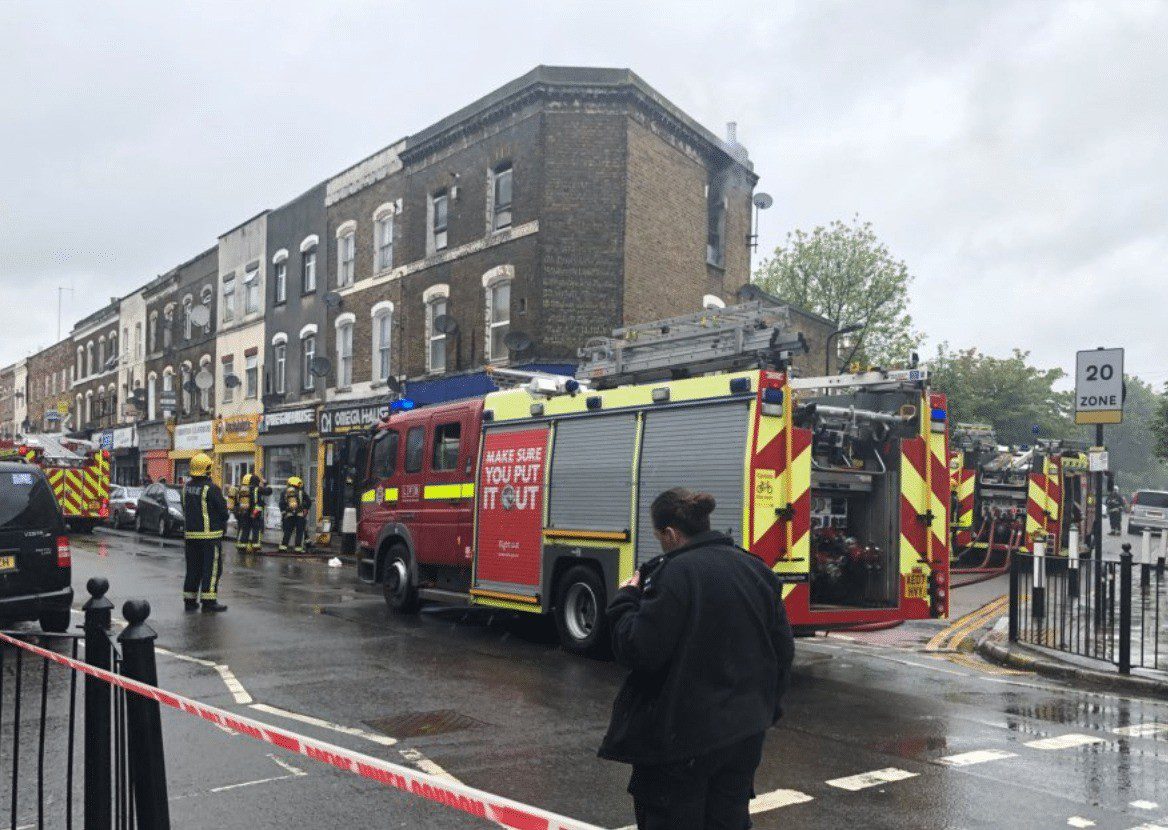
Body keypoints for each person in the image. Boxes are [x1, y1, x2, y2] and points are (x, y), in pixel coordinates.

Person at [599, 488, 795, 830]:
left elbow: (639, 649)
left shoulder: (675, 574)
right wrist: (765, 710)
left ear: (670, 534)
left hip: (681, 741)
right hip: (744, 734)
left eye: (659, 537)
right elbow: (783, 650)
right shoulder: (755, 569)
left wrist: (626, 599)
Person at [181, 453, 230, 612]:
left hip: (190, 536)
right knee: (211, 569)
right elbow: (223, 512)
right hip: (209, 537)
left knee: (193, 569)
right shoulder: (211, 488)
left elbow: (185, 508)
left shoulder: (186, 488)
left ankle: (189, 601)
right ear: (207, 469)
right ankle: (209, 602)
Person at [279, 476, 312, 553]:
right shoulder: (301, 492)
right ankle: (298, 549)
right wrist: (305, 508)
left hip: (289, 515)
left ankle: (283, 548)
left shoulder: (284, 492)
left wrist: (284, 513)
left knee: (287, 532)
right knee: (299, 532)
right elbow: (309, 501)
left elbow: (281, 504)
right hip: (299, 515)